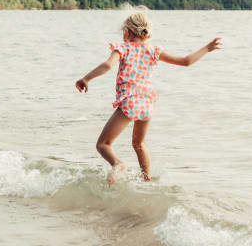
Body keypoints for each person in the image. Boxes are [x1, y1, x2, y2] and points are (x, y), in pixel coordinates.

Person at [75, 10, 221, 185]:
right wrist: (207, 48)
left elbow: (107, 65)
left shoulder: (122, 48)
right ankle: (147, 180)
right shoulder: (154, 50)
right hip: (147, 103)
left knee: (103, 145)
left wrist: (86, 78)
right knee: (139, 144)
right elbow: (186, 61)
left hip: (130, 102)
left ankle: (117, 164)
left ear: (128, 32)